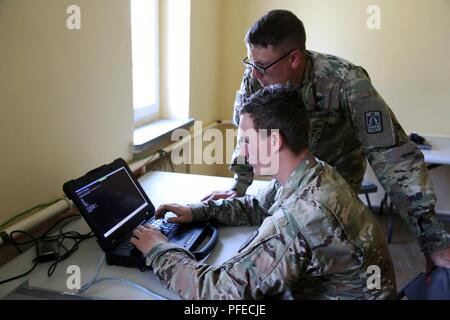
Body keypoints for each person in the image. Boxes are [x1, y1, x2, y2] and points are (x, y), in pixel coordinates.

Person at [202, 9, 450, 269]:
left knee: (326, 259)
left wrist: (432, 239)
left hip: (337, 184)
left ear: (294, 59)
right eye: (251, 63)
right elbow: (247, 133)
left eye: (262, 66)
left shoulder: (345, 81)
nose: (254, 75)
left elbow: (391, 154)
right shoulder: (258, 76)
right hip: (290, 182)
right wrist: (239, 185)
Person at [131, 84, 396, 300]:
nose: (243, 152)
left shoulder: (302, 215)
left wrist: (158, 249)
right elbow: (256, 206)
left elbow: (218, 293)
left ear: (274, 141)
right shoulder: (315, 172)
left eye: (246, 140)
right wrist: (196, 212)